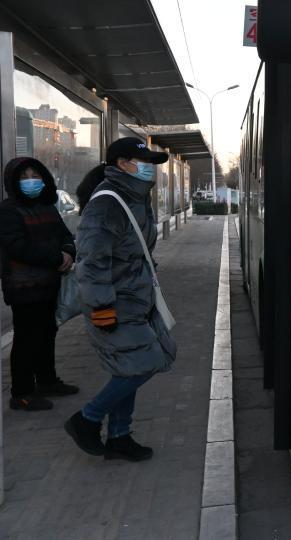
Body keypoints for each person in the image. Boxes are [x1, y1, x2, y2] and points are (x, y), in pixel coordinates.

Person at [64, 137, 176, 462]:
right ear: (121, 164)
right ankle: (87, 418)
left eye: (152, 163)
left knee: (129, 367)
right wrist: (101, 307)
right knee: (143, 364)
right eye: (143, 162)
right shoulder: (107, 203)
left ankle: (119, 436)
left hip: (136, 300)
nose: (150, 168)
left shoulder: (136, 198)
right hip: (113, 303)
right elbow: (92, 261)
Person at [0, 157, 79, 411]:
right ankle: (22, 393)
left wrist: (68, 251)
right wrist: (57, 258)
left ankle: (47, 381)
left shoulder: (47, 206)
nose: (31, 180)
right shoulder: (8, 210)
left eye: (35, 175)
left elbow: (65, 234)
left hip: (48, 284)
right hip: (23, 287)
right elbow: (17, 247)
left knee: (47, 334)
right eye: (24, 176)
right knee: (26, 338)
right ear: (13, 181)